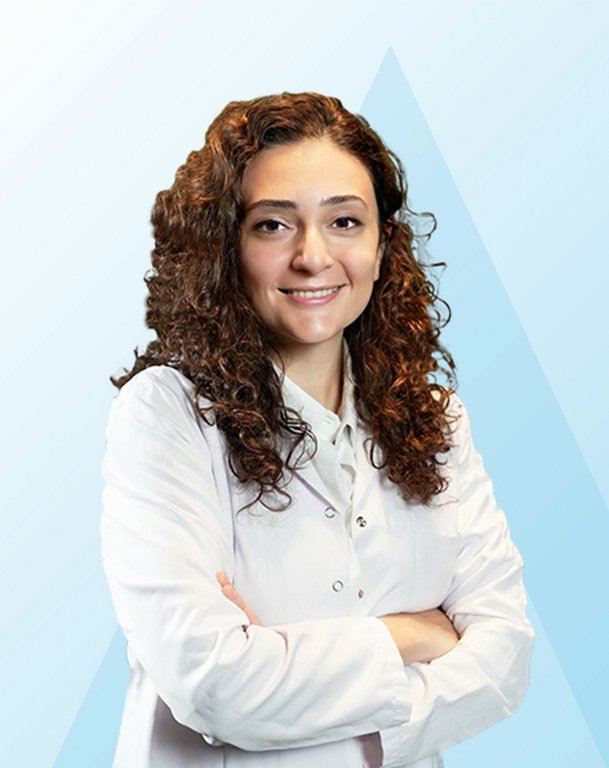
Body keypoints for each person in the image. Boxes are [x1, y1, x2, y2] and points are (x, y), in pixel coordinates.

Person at [100, 91, 534, 768]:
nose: (312, 255)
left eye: (344, 221)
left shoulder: (436, 419)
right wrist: (413, 636)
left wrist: (281, 669)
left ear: (382, 246)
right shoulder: (166, 415)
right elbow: (214, 687)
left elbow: (504, 660)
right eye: (273, 225)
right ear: (224, 247)